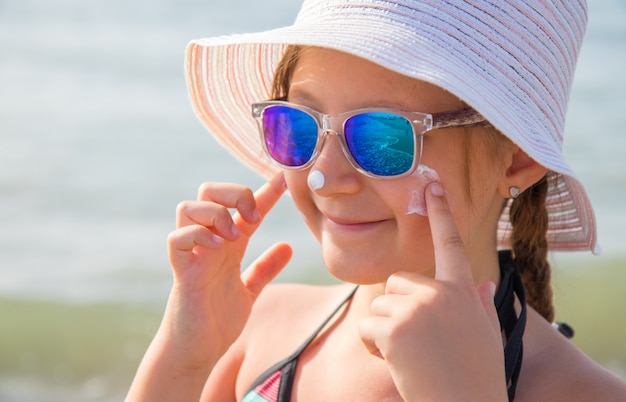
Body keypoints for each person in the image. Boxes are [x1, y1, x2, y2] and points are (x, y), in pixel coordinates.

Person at [127, 1, 626, 401]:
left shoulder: (580, 393)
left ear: (515, 160)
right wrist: (185, 357)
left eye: (383, 138)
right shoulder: (261, 329)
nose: (324, 175)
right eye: (297, 127)